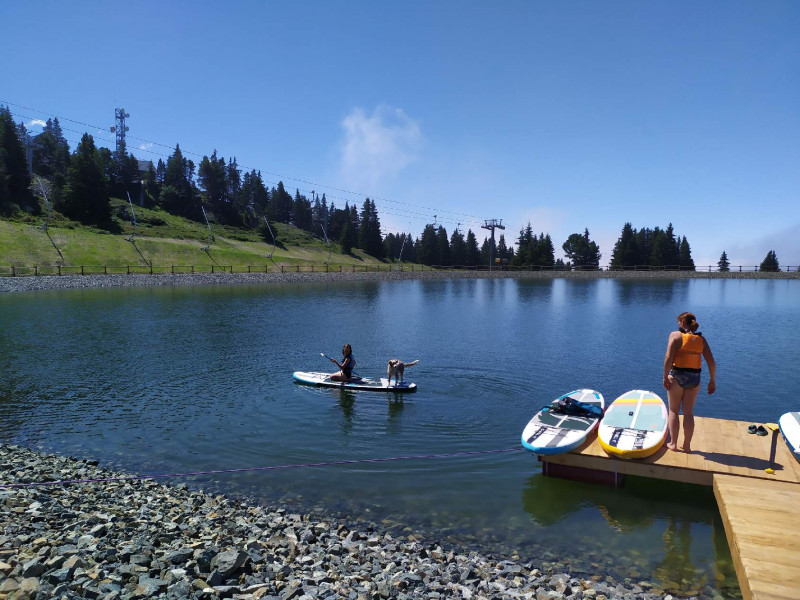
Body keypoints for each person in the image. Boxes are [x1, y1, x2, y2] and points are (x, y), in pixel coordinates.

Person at [662, 312, 716, 453]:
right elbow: (711, 362)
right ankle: (686, 446)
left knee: (673, 410)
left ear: (681, 322)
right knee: (688, 413)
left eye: (678, 322)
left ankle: (673, 444)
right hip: (694, 378)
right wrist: (712, 381)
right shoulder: (701, 340)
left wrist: (664, 376)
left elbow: (668, 357)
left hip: (677, 376)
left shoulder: (675, 336)